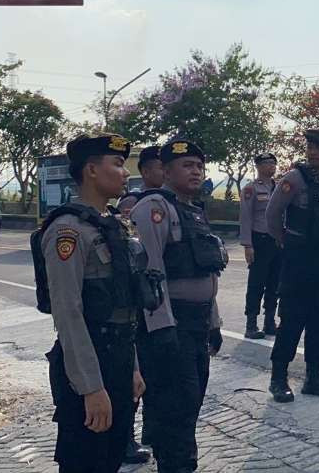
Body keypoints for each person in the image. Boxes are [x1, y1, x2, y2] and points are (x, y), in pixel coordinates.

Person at [38, 134, 147, 473]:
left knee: (111, 457)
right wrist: (91, 387)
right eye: (116, 164)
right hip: (88, 364)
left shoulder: (112, 224)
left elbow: (126, 306)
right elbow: (68, 313)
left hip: (118, 357)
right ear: (91, 170)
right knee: (85, 461)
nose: (125, 172)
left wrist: (132, 367)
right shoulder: (67, 231)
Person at [132, 139, 226, 472]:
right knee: (178, 405)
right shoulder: (154, 207)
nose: (195, 171)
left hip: (197, 325)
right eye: (187, 165)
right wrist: (162, 329)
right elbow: (149, 273)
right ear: (166, 171)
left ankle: (170, 455)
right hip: (172, 328)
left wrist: (214, 323)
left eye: (199, 166)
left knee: (190, 401)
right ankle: (177, 464)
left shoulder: (194, 211)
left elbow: (209, 276)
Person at [265, 129, 319, 402]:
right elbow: (273, 214)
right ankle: (279, 378)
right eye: (310, 147)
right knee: (291, 320)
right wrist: (286, 242)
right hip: (300, 260)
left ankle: (314, 377)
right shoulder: (295, 178)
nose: (313, 152)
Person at [119, 144, 164, 465]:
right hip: (140, 305)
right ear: (146, 171)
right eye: (160, 167)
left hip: (162, 303)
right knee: (134, 375)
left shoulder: (178, 205)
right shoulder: (133, 205)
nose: (165, 172)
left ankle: (151, 431)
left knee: (157, 378)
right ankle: (125, 437)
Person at [240, 153, 281, 339]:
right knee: (257, 282)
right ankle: (251, 324)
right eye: (267, 163)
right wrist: (248, 245)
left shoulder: (280, 187)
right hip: (260, 240)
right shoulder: (251, 189)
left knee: (275, 282)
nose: (271, 166)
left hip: (277, 241)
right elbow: (246, 217)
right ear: (258, 166)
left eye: (273, 163)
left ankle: (270, 321)